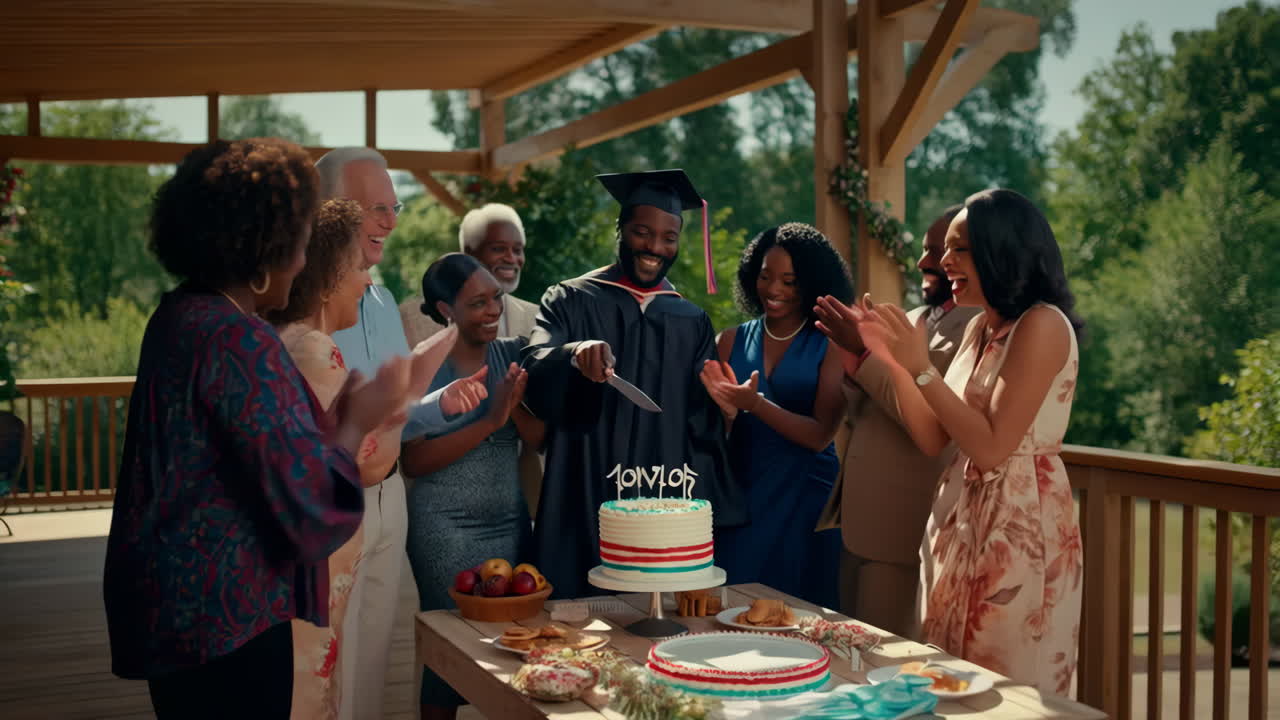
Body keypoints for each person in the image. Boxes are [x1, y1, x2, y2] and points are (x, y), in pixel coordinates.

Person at [103, 139, 417, 719]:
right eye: (299, 243)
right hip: (228, 621)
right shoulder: (239, 339)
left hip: (170, 610)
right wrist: (356, 422)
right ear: (261, 245)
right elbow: (310, 509)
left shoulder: (179, 314)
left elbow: (238, 452)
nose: (303, 263)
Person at [852, 189, 1084, 693]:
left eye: (960, 249)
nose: (942, 261)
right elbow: (935, 435)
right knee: (949, 674)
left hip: (1019, 529)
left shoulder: (1042, 325)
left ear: (1002, 251)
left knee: (1010, 684)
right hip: (958, 519)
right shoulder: (981, 327)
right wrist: (896, 362)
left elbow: (993, 447)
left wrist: (919, 366)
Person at [521, 169, 745, 599]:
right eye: (642, 232)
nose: (655, 248)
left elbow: (702, 425)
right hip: (584, 486)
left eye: (669, 238)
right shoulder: (569, 299)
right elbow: (533, 366)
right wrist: (574, 353)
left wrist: (728, 411)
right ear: (620, 229)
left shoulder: (691, 320)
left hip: (662, 496)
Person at [814, 205, 980, 639]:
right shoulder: (910, 319)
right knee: (847, 648)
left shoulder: (978, 327)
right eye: (927, 251)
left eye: (940, 251)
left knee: (887, 659)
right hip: (857, 516)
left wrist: (868, 355)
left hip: (904, 521)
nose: (927, 262)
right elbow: (870, 401)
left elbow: (931, 418)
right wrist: (851, 359)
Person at [401, 253, 543, 720]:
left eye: (496, 299)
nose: (492, 311)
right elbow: (415, 460)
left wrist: (513, 406)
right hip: (444, 527)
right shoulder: (422, 368)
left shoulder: (513, 353)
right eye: (478, 302)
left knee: (519, 645)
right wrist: (491, 419)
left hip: (509, 519)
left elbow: (537, 437)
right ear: (446, 310)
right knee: (450, 652)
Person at [315, 147, 423, 719]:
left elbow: (397, 404)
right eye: (373, 208)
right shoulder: (296, 305)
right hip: (334, 505)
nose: (391, 220)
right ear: (328, 212)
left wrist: (440, 401)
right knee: (327, 665)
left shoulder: (380, 300)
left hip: (391, 497)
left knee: (372, 662)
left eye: (394, 206)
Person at [698, 223, 851, 609]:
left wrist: (757, 405)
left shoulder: (830, 343)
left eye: (790, 280)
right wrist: (727, 415)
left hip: (806, 499)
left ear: (812, 282)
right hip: (744, 495)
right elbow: (715, 431)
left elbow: (821, 435)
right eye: (766, 276)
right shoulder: (730, 340)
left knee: (803, 615)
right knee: (734, 606)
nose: (775, 290)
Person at [399, 203, 544, 514]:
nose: (512, 258)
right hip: (440, 498)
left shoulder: (536, 318)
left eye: (518, 249)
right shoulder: (413, 319)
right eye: (498, 248)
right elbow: (408, 420)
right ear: (467, 252)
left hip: (515, 496)